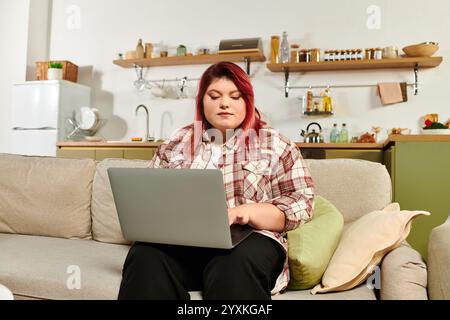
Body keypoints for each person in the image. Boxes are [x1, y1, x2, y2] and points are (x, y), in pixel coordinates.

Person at [118, 61, 315, 300]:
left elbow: (301, 205)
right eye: (214, 96)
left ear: (247, 102)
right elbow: (148, 193)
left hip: (249, 241)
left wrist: (246, 211)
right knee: (144, 255)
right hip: (184, 242)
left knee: (233, 265)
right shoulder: (179, 141)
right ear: (202, 101)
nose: (224, 103)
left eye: (235, 96)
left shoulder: (274, 143)